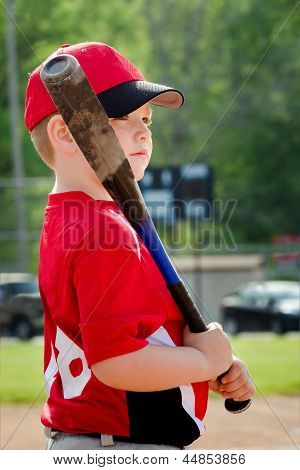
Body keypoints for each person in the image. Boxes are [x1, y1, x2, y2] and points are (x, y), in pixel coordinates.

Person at [24, 42, 255, 451]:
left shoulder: (70, 219)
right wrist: (205, 362)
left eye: (146, 119)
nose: (144, 131)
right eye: (119, 117)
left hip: (96, 440)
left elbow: (142, 334)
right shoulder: (102, 231)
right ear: (65, 133)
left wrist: (198, 359)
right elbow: (116, 361)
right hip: (122, 446)